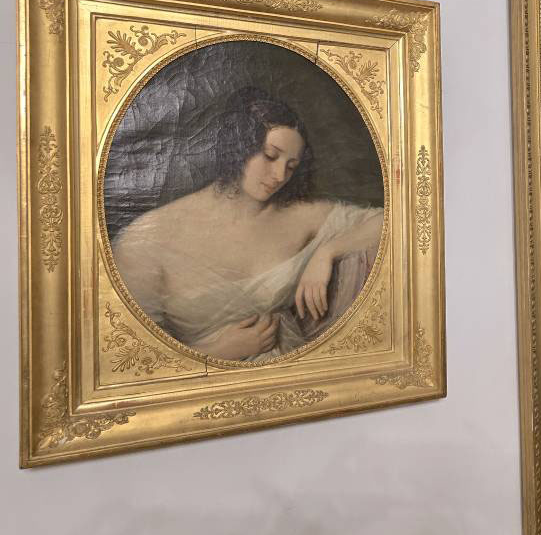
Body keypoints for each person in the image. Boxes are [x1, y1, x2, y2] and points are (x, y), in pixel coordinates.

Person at [112, 87, 383, 362]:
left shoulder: (298, 214)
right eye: (270, 155)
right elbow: (127, 359)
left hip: (295, 371)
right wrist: (215, 353)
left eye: (291, 166)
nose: (280, 175)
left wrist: (327, 252)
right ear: (238, 145)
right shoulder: (148, 238)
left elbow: (388, 221)